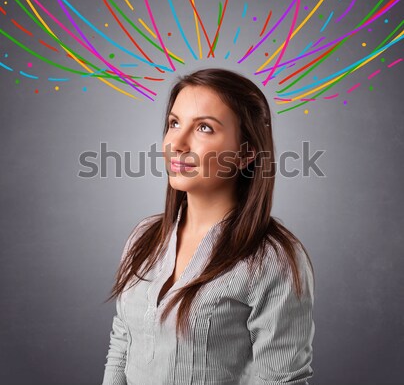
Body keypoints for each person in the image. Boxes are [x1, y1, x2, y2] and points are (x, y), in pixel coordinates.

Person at [101, 68, 315, 385]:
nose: (177, 143)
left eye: (204, 127)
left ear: (246, 153)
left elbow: (281, 381)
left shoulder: (273, 260)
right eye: (174, 123)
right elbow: (122, 345)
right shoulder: (144, 238)